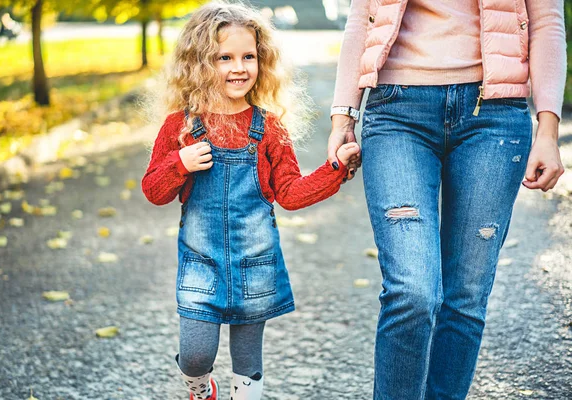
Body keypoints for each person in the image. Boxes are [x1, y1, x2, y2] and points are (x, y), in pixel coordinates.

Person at [327, 0, 566, 399]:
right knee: (412, 290)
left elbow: (547, 21)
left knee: (466, 296)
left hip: (495, 115)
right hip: (396, 110)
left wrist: (548, 128)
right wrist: (342, 117)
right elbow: (362, 15)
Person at [141, 2, 359, 399]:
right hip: (200, 264)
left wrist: (335, 169)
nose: (238, 67)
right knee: (194, 355)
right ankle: (200, 387)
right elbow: (154, 190)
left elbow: (290, 193)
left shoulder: (269, 129)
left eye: (248, 56)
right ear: (198, 62)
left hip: (254, 264)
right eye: (224, 57)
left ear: (263, 62)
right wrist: (179, 162)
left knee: (248, 362)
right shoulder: (181, 126)